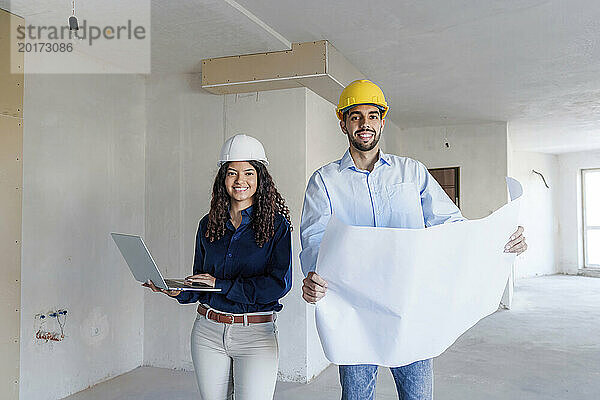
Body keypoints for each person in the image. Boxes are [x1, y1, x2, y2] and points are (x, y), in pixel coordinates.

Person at [299, 80, 527, 400]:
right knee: (356, 397)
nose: (365, 123)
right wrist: (313, 275)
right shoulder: (324, 181)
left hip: (409, 307)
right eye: (355, 116)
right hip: (352, 310)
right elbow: (314, 238)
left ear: (382, 121)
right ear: (343, 123)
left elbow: (451, 225)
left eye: (372, 115)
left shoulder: (412, 173)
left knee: (417, 396)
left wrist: (499, 239)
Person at [144, 134, 293, 400]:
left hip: (256, 336)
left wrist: (221, 284)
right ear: (222, 178)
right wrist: (179, 291)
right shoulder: (208, 224)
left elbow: (278, 285)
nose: (240, 181)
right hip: (207, 331)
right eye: (232, 173)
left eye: (248, 172)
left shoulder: (277, 227)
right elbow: (203, 285)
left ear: (260, 178)